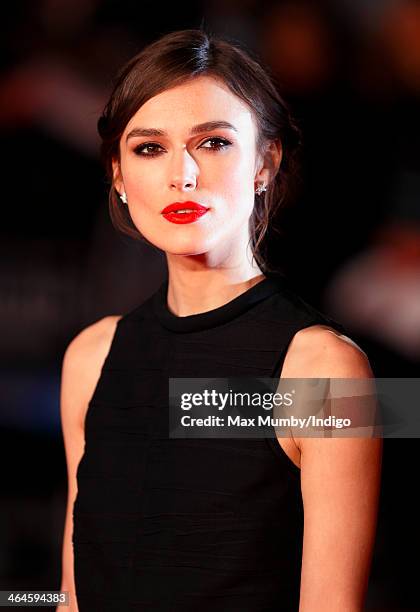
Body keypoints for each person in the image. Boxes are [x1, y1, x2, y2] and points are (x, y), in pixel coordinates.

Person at [58, 29, 382, 611]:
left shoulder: (325, 370)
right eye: (149, 148)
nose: (182, 175)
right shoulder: (92, 357)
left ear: (266, 161)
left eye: (213, 143)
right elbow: (72, 596)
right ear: (118, 174)